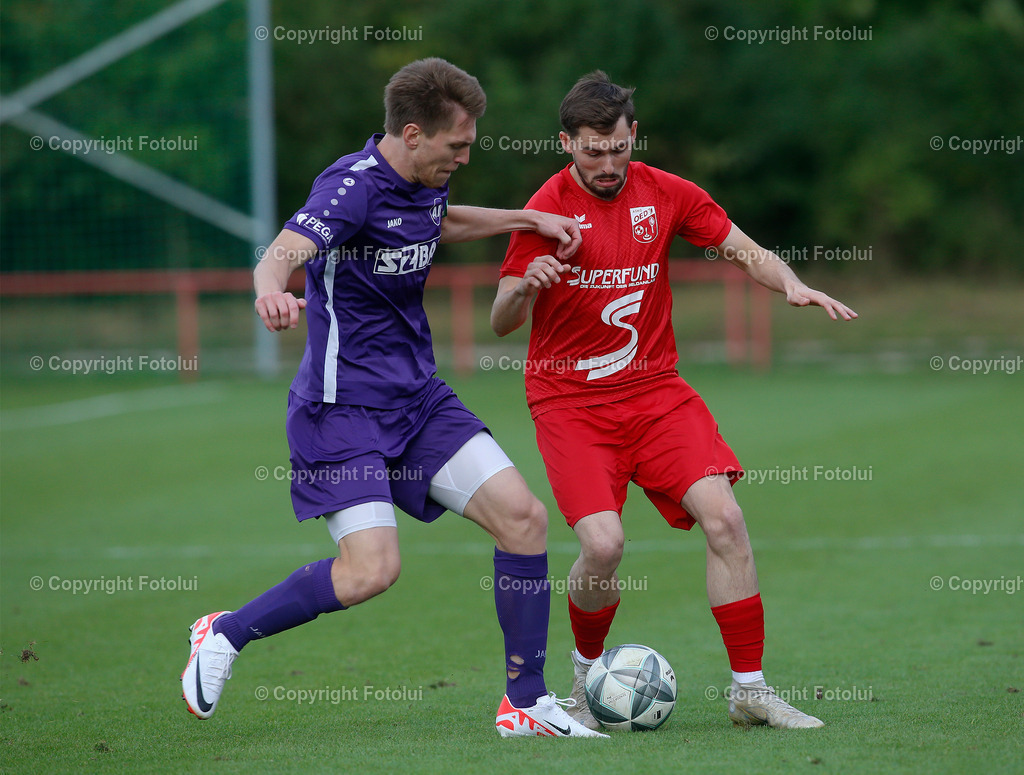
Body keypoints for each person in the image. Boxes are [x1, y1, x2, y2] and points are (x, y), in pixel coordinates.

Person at [180, 58, 607, 739]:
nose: (466, 156)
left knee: (524, 518)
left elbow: (436, 222)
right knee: (372, 570)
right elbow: (284, 250)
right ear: (413, 134)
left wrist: (525, 219)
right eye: (457, 145)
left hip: (418, 400)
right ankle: (225, 632)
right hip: (341, 411)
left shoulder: (423, 181)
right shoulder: (350, 189)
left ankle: (525, 702)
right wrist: (269, 289)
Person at [492, 71, 858, 730]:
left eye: (618, 148)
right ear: (566, 143)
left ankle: (751, 689)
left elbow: (745, 249)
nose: (608, 164)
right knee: (602, 546)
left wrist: (792, 283)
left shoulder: (664, 192)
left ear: (633, 135)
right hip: (569, 401)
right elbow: (500, 319)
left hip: (655, 390)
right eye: (592, 151)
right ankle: (583, 678)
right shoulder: (544, 209)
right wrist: (524, 287)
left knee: (726, 518)